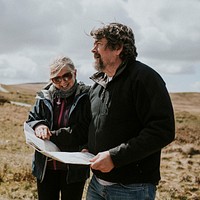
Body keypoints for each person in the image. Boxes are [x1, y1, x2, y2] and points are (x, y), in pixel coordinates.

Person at [86, 22, 175, 200]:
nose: (93, 50)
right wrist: (86, 147)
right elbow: (95, 126)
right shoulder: (97, 85)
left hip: (132, 188)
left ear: (117, 48)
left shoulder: (144, 78)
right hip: (97, 185)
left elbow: (162, 131)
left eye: (99, 44)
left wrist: (114, 157)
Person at [26, 56, 91, 200]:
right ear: (51, 80)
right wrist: (39, 125)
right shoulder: (44, 96)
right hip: (46, 168)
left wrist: (52, 135)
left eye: (66, 75)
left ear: (75, 72)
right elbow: (32, 119)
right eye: (56, 79)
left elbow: (82, 130)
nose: (63, 82)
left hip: (74, 169)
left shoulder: (87, 96)